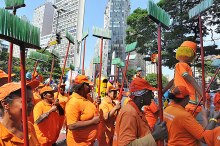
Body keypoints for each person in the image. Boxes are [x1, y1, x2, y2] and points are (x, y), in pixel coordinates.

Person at [113, 78, 168, 146]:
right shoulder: (130, 113)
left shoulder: (137, 110)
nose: (152, 96)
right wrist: (155, 136)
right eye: (150, 93)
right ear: (141, 96)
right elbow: (126, 144)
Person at [163, 41, 203, 118]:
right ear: (188, 53)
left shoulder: (179, 65)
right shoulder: (180, 65)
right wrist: (201, 92)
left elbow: (172, 82)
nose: (193, 57)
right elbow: (190, 79)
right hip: (187, 99)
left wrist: (163, 91)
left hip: (183, 98)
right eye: (192, 55)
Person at [0, 80, 40, 145]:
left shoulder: (29, 126)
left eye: (31, 101)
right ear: (5, 104)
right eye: (27, 101)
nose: (32, 104)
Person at [65, 75, 100, 146]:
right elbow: (71, 125)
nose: (89, 87)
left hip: (89, 142)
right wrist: (92, 122)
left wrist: (96, 104)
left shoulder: (87, 97)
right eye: (87, 85)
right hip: (78, 143)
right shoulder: (73, 102)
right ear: (81, 87)